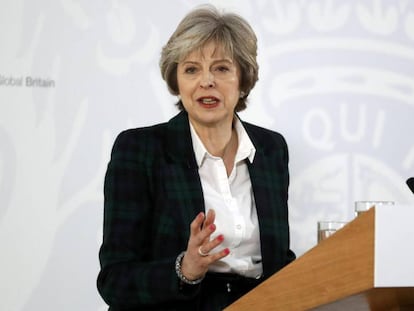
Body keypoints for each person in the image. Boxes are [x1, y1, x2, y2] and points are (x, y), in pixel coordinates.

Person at [97, 4, 296, 311]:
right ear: (176, 82)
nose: (207, 81)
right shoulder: (140, 150)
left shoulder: (270, 150)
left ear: (243, 80)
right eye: (191, 69)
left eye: (221, 68)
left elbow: (278, 262)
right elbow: (115, 279)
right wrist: (184, 269)